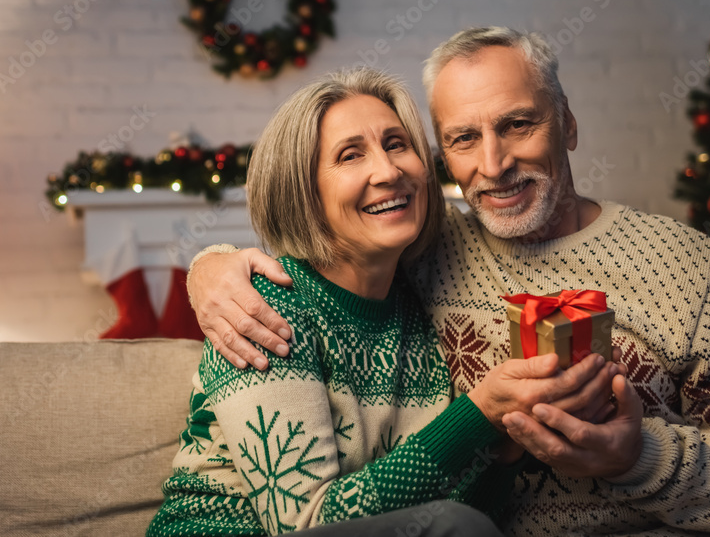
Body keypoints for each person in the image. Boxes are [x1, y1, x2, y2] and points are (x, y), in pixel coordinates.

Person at [187, 27, 710, 536]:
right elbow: (329, 251)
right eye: (463, 138)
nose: (494, 164)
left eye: (518, 125)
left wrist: (638, 458)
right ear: (444, 156)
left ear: (566, 124)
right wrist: (210, 265)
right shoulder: (424, 253)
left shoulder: (685, 268)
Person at [148, 68, 624, 537]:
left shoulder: (419, 312)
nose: (389, 170)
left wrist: (503, 450)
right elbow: (306, 523)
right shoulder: (268, 306)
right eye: (350, 156)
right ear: (304, 191)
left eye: (397, 144)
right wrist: (478, 412)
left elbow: (425, 518)